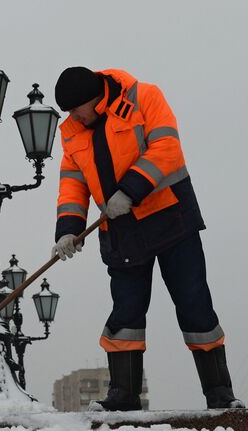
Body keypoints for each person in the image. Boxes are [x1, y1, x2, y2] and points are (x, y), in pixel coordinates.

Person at [51, 67, 244, 411]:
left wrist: (130, 190)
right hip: (121, 232)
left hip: (171, 219)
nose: (72, 116)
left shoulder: (143, 97)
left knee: (193, 301)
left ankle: (219, 393)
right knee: (126, 312)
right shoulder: (72, 132)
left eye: (76, 109)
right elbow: (72, 181)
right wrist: (68, 227)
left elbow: (166, 148)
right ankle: (123, 396)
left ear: (95, 99)